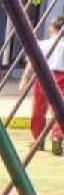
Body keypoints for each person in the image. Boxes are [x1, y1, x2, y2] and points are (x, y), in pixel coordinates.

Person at [29, 15, 64, 156]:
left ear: (53, 28)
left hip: (44, 75)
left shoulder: (43, 44)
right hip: (62, 76)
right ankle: (57, 135)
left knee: (39, 108)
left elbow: (32, 62)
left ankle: (38, 138)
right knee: (59, 109)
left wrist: (25, 79)